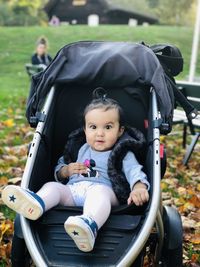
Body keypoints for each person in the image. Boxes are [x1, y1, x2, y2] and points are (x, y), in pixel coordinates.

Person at [2, 88, 149, 253]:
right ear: (85, 130)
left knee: (99, 193)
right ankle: (37, 204)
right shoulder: (78, 147)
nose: (100, 133)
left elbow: (134, 171)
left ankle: (89, 224)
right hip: (73, 192)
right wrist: (66, 171)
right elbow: (59, 169)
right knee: (53, 187)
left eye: (108, 127)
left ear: (120, 130)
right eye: (93, 127)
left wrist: (138, 187)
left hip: (106, 192)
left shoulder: (122, 152)